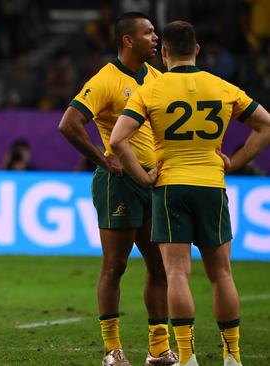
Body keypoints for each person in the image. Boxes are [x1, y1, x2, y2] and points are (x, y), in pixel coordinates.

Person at [110, 20, 270, 366]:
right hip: (212, 185)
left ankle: (187, 358)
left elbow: (117, 140)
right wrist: (236, 161)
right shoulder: (221, 87)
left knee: (177, 274)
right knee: (222, 274)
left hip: (171, 187)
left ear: (164, 52)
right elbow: (266, 123)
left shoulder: (151, 90)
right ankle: (233, 356)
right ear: (197, 50)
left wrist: (143, 176)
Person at [58, 12, 177, 366]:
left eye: (155, 32)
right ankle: (113, 349)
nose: (155, 38)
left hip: (153, 182)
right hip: (119, 184)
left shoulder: (157, 78)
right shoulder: (106, 80)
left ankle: (158, 348)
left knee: (158, 265)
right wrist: (102, 159)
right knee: (116, 264)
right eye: (148, 32)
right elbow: (69, 123)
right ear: (128, 40)